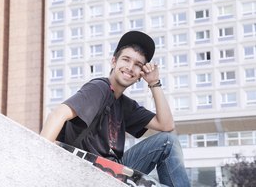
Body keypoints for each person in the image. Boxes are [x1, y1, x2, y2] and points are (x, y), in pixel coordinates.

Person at [40, 31, 190, 187]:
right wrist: (40, 159)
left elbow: (166, 125)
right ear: (113, 62)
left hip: (116, 174)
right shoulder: (99, 88)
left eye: (138, 65)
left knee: (168, 141)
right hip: (91, 172)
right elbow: (57, 114)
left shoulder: (125, 105)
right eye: (126, 60)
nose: (130, 67)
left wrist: (154, 82)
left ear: (140, 75)